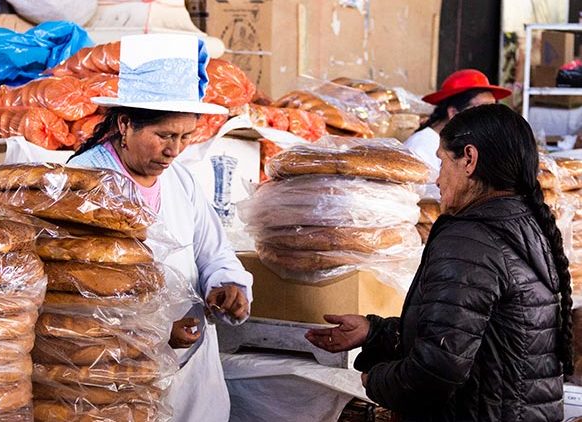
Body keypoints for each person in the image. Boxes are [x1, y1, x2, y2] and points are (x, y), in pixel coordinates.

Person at [307, 104, 571, 421]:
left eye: (442, 162)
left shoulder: (470, 240)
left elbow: (436, 369)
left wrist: (373, 380)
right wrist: (375, 332)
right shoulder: (527, 228)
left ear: (469, 160)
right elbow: (473, 335)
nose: (437, 179)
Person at [67, 34, 253, 422]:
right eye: (164, 136)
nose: (174, 150)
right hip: (115, 372)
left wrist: (226, 285)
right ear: (125, 123)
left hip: (193, 377)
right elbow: (74, 288)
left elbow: (213, 252)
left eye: (185, 137)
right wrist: (149, 332)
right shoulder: (84, 183)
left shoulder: (181, 181)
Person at [403, 69, 511, 170]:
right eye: (481, 112)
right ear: (453, 113)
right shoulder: (421, 146)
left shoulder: (464, 144)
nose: (488, 120)